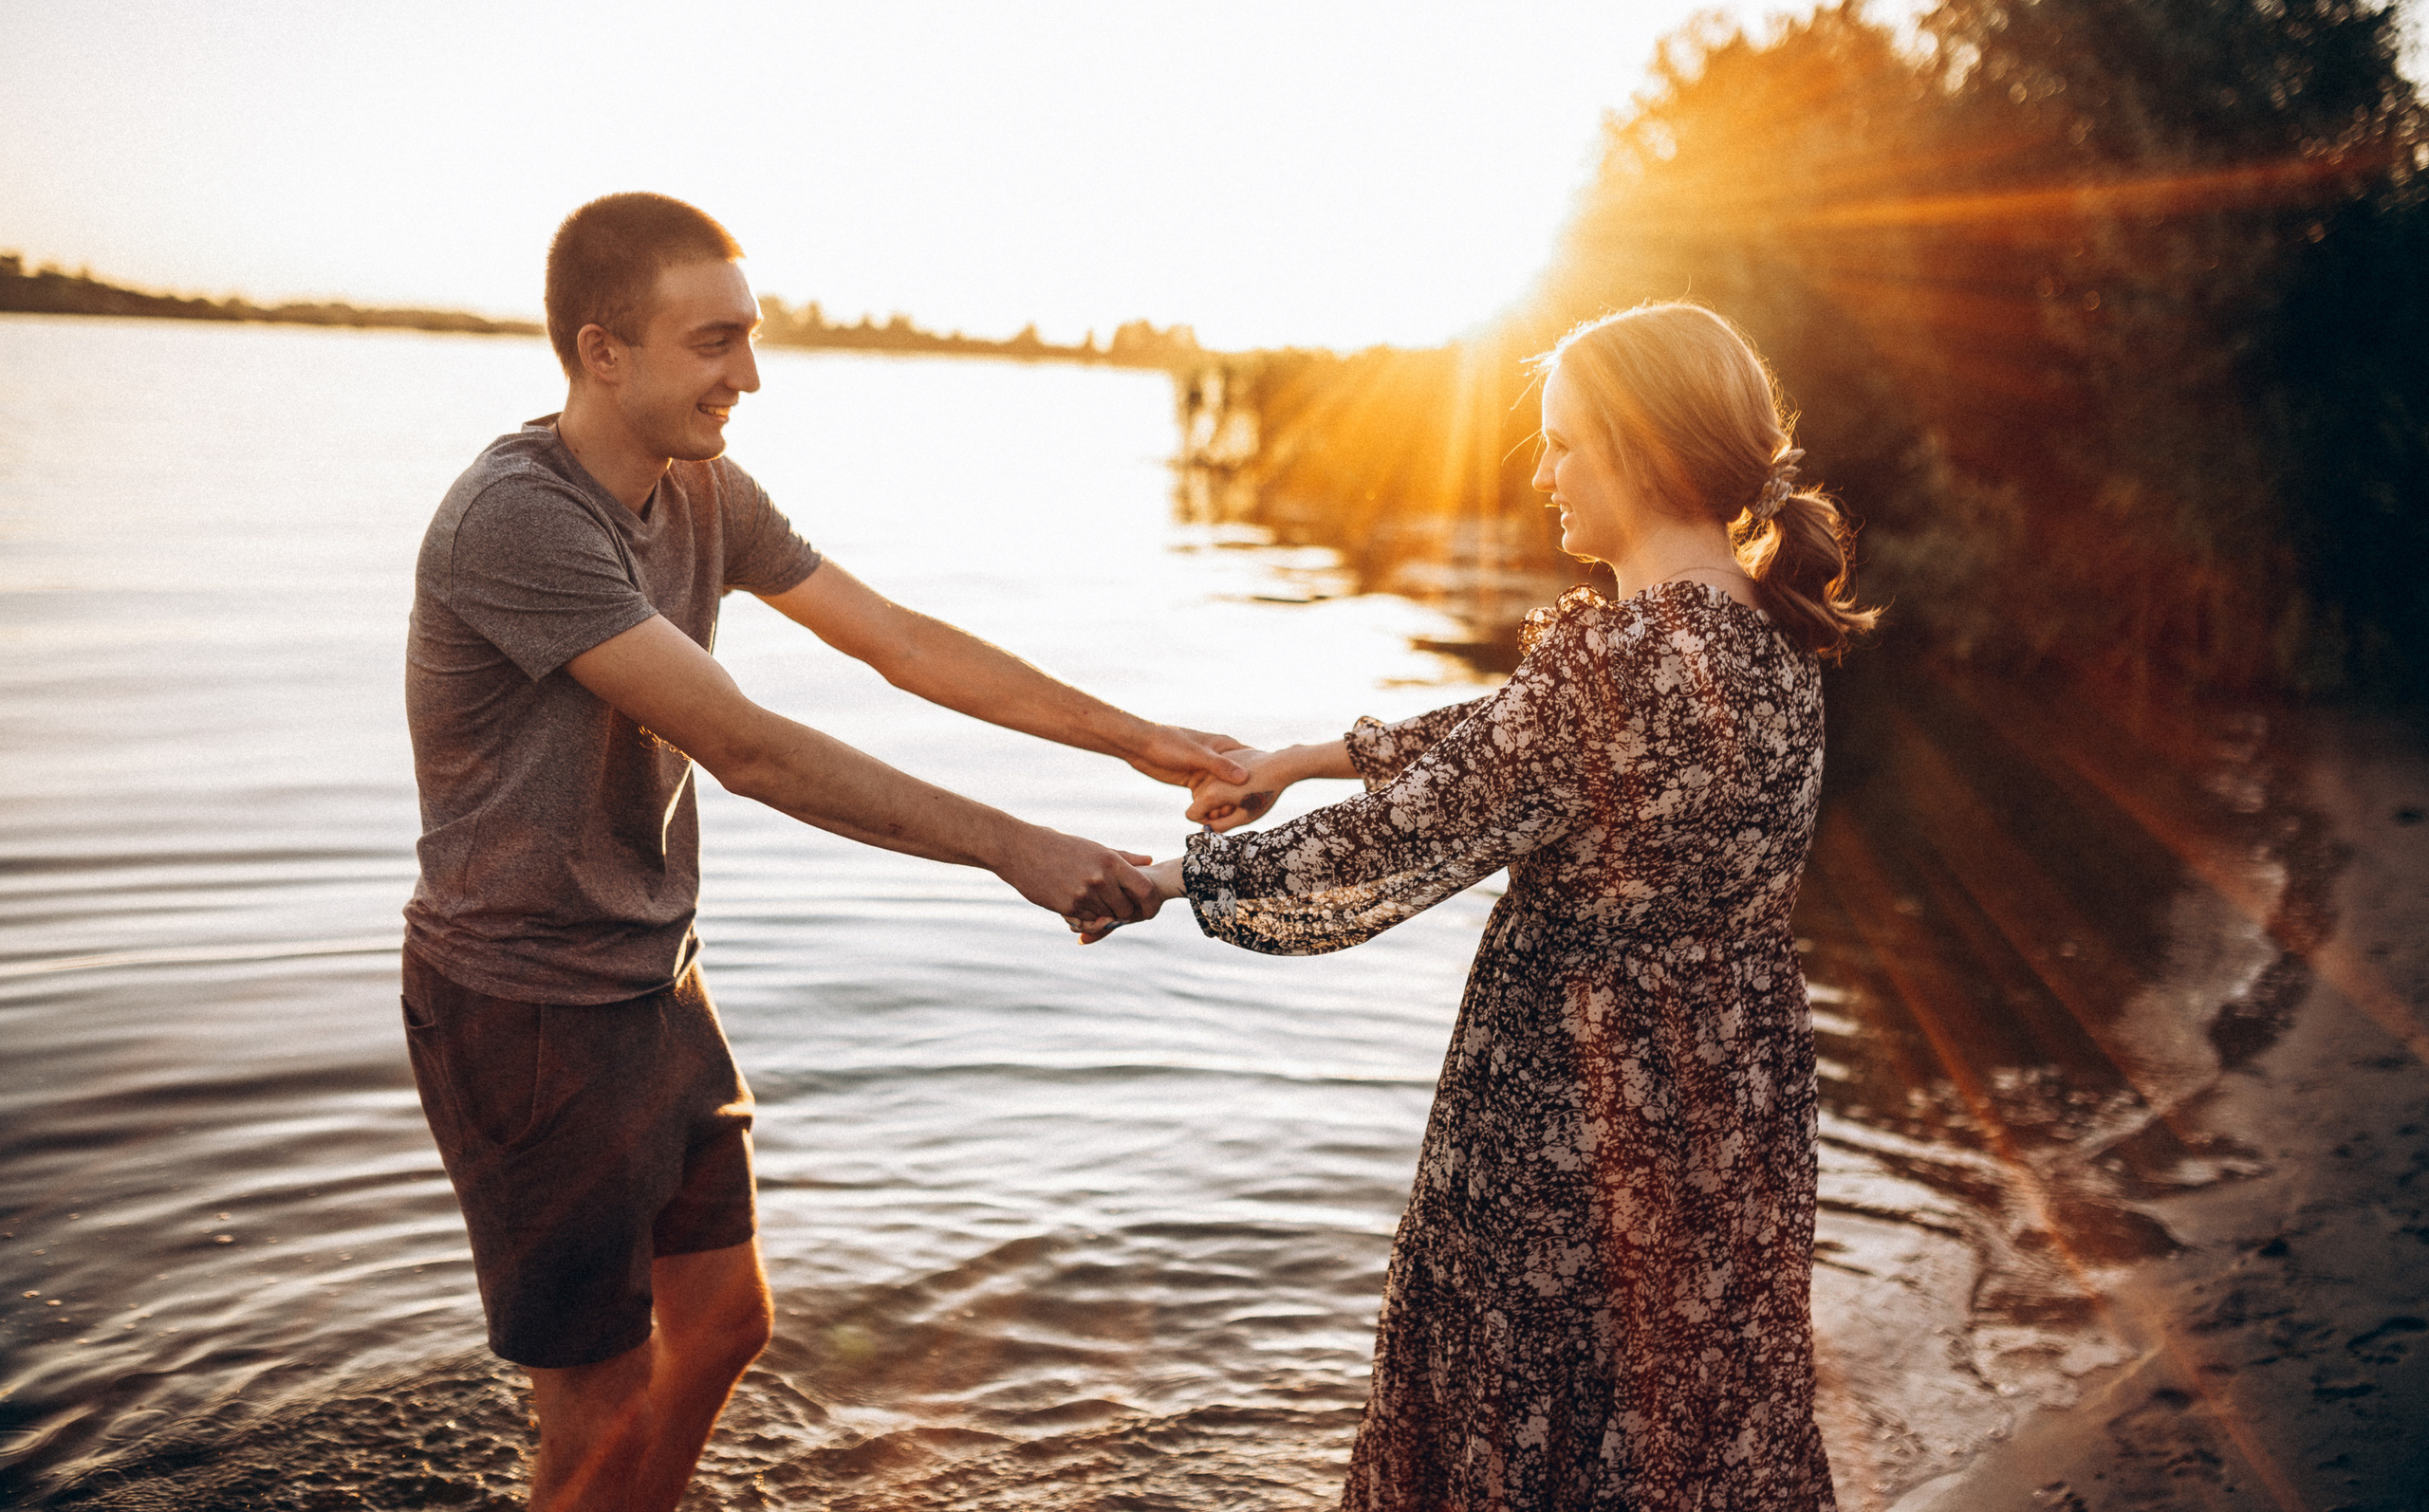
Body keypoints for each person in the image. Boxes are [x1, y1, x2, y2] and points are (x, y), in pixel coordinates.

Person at [401, 191, 1247, 1512]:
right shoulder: (517, 521)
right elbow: (748, 747)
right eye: (714, 342)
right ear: (601, 351)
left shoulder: (700, 487)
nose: (747, 375)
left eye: (747, 337)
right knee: (600, 1411)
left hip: (650, 976)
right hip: (527, 1004)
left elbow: (897, 642)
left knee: (724, 1326)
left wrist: (1140, 739)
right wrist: (1013, 848)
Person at [1092, 303, 1874, 1508]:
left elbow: (1410, 833)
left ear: (1643, 452)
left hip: (1578, 1103)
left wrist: (1168, 880)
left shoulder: (1615, 663)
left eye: (1563, 443)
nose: (1543, 474)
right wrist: (1302, 757)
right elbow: (1505, 742)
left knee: (1522, 1411)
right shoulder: (1775, 637)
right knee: (1687, 1407)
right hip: (1731, 1093)